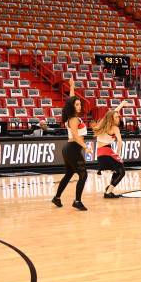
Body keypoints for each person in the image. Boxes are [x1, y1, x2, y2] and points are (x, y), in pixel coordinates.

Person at [51, 77, 89, 211]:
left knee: (68, 175)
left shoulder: (71, 116)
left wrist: (72, 86)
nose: (79, 106)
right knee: (83, 175)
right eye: (77, 104)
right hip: (72, 148)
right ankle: (77, 201)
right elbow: (75, 136)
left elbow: (71, 99)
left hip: (69, 149)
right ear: (73, 106)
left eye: (80, 104)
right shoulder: (73, 119)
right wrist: (85, 147)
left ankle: (57, 198)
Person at [93, 101, 128, 199]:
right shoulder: (114, 128)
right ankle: (108, 192)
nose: (118, 118)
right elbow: (120, 142)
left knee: (118, 171)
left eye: (118, 116)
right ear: (112, 119)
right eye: (116, 117)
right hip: (107, 152)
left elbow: (112, 113)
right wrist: (118, 154)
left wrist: (121, 105)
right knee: (122, 172)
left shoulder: (102, 123)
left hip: (100, 154)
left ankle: (109, 188)